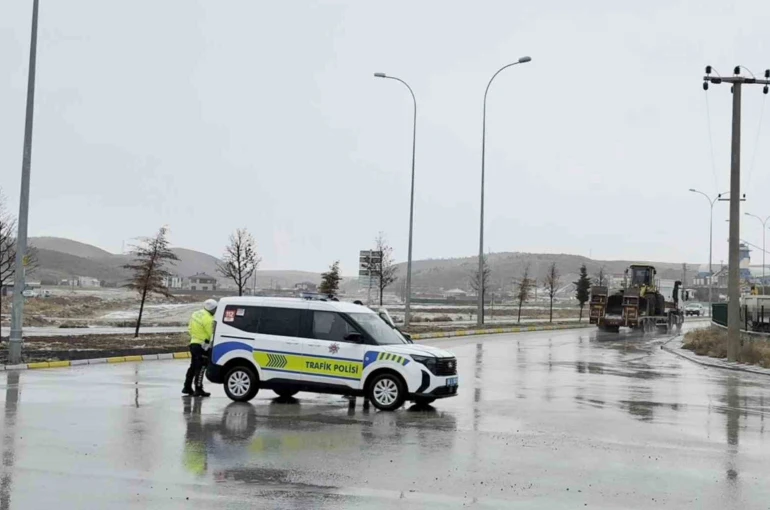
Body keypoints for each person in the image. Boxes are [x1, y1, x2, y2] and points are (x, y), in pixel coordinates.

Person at [183, 299, 217, 397]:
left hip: (193, 343)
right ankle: (198, 389)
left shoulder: (195, 314)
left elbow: (190, 328)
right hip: (202, 346)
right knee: (201, 367)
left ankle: (187, 387)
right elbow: (212, 334)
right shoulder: (209, 319)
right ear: (212, 309)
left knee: (193, 366)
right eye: (215, 309)